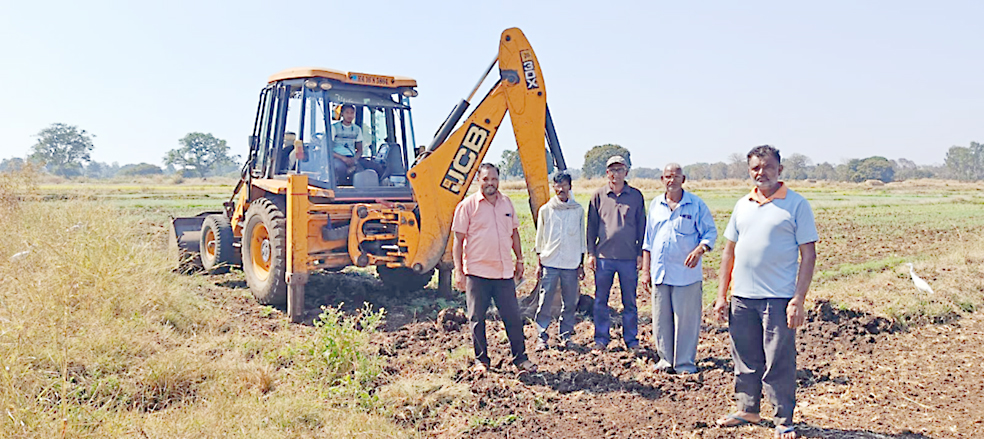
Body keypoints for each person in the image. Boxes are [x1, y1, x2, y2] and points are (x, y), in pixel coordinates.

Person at [713, 145, 818, 439]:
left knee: (778, 361)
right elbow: (728, 253)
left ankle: (783, 420)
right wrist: (722, 295)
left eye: (768, 167)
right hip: (743, 297)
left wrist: (798, 299)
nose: (762, 173)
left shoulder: (796, 205)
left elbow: (808, 255)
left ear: (780, 170)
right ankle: (748, 409)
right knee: (744, 358)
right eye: (756, 168)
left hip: (778, 298)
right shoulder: (742, 204)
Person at [452, 163, 537, 373]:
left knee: (513, 317)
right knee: (477, 319)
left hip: (503, 272)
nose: (490, 183)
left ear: (499, 180)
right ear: (478, 180)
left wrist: (519, 260)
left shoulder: (506, 203)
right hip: (477, 273)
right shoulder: (467, 206)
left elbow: (514, 233)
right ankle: (482, 361)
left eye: (494, 179)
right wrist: (458, 271)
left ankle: (521, 359)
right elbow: (458, 240)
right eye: (486, 179)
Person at [640, 163, 717, 374]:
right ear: (662, 180)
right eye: (667, 176)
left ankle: (684, 364)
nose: (671, 180)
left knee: (686, 320)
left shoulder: (696, 205)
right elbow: (648, 241)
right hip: (661, 272)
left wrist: (699, 250)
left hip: (686, 274)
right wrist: (646, 271)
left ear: (683, 180)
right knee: (661, 319)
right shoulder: (656, 205)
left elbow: (710, 233)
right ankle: (665, 360)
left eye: (675, 176)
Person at [586, 155, 646, 352]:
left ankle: (631, 340)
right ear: (607, 173)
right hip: (604, 258)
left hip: (628, 258)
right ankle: (601, 339)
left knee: (629, 302)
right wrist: (591, 253)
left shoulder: (636, 196)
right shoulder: (598, 196)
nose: (616, 174)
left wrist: (640, 254)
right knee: (601, 300)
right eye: (612, 170)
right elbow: (591, 227)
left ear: (626, 173)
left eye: (620, 170)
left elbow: (641, 226)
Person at [532, 171, 587, 351]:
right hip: (550, 262)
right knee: (545, 299)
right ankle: (542, 335)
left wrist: (581, 264)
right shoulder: (546, 210)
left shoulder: (577, 210)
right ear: (553, 187)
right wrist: (539, 264)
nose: (561, 189)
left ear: (570, 186)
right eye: (558, 185)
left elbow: (581, 239)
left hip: (570, 263)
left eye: (564, 185)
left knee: (569, 301)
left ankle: (566, 336)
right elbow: (540, 239)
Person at [331, 104, 384, 184]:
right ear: (342, 114)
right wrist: (343, 158)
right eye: (347, 112)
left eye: (352, 113)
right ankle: (342, 187)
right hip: (337, 158)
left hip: (352, 157)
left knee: (374, 166)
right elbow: (328, 149)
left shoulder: (357, 129)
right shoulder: (334, 128)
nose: (349, 115)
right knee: (339, 168)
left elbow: (359, 149)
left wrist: (355, 159)